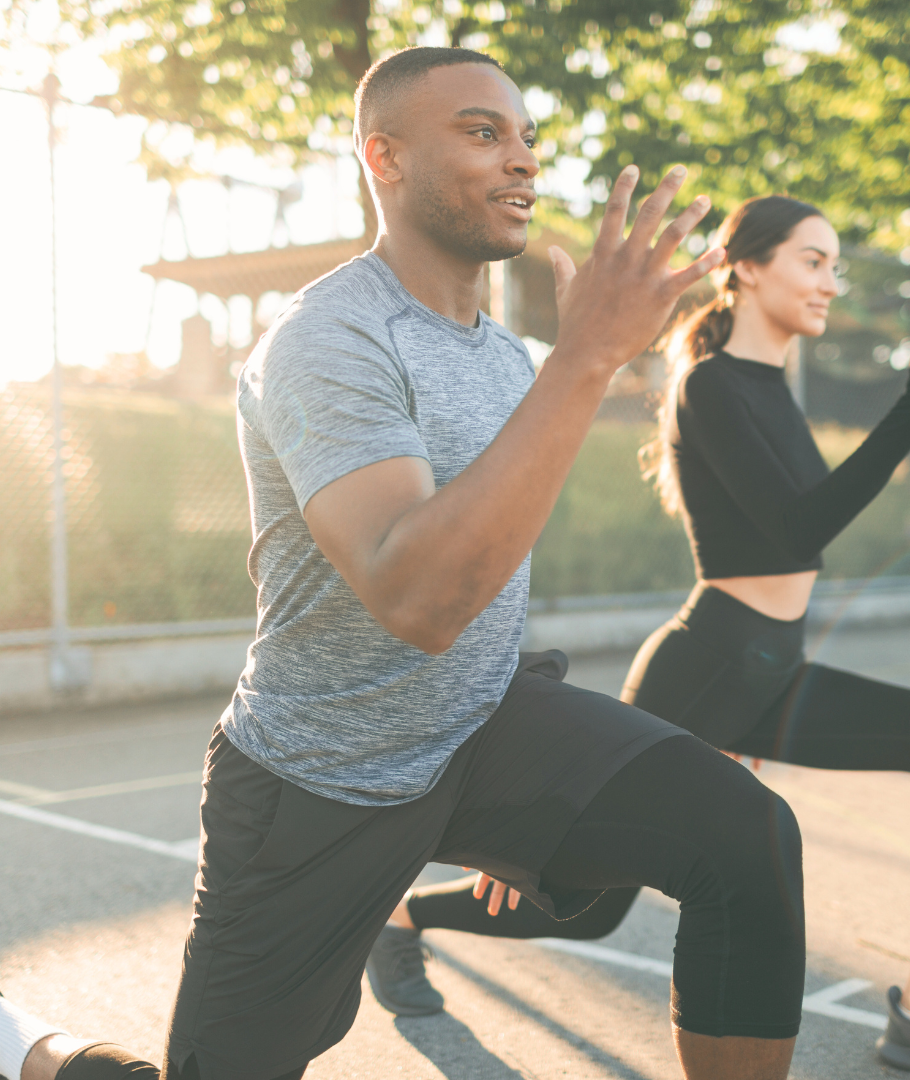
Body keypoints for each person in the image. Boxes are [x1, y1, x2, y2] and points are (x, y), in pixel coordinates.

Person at [0, 50, 811, 1080]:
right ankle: (41, 1053)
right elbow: (416, 597)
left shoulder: (503, 353)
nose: (521, 160)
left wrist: (540, 801)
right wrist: (586, 359)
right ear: (384, 156)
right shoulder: (326, 338)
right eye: (483, 133)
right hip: (319, 778)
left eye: (526, 138)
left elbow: (489, 569)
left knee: (746, 839)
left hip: (481, 727)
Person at [368, 196, 910, 1080]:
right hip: (709, 667)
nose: (830, 282)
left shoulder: (768, 387)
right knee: (573, 900)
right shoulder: (711, 385)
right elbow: (800, 530)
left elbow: (802, 530)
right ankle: (399, 920)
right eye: (813, 260)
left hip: (777, 669)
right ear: (749, 266)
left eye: (836, 265)